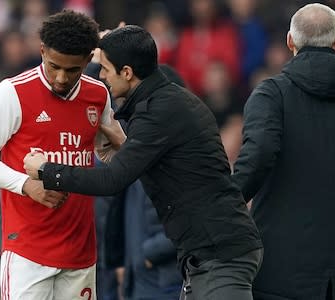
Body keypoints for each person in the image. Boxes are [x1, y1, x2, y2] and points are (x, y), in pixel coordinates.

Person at [24, 25, 263, 300]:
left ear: (127, 73)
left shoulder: (159, 112)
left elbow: (111, 180)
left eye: (105, 69)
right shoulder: (167, 102)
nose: (102, 76)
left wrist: (47, 170)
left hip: (220, 253)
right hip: (206, 252)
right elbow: (165, 164)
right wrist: (123, 146)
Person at [0, 10, 120, 300]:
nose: (61, 77)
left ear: (88, 60)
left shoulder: (98, 94)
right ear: (41, 52)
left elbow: (110, 153)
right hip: (28, 250)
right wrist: (26, 185)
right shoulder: (12, 92)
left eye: (72, 69)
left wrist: (128, 146)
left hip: (80, 250)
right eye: (54, 66)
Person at [232, 3, 335, 299]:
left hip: (281, 271)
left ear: (290, 41)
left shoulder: (271, 95)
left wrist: (222, 204)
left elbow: (257, 158)